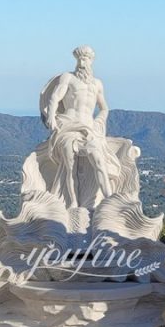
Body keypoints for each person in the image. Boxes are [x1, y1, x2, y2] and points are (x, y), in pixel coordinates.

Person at [40, 45, 120, 209]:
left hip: (89, 128)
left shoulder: (97, 84)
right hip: (67, 126)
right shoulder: (68, 78)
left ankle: (110, 199)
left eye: (85, 59)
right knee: (69, 165)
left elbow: (104, 108)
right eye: (79, 59)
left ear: (91, 61)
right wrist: (51, 117)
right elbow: (55, 98)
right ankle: (73, 202)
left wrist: (98, 123)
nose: (82, 63)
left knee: (99, 159)